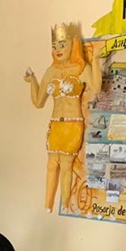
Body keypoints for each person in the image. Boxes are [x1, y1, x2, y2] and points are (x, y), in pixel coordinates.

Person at [24, 22, 102, 213]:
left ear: (72, 45)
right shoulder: (52, 71)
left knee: (66, 165)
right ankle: (48, 205)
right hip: (55, 124)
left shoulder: (80, 68)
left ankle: (65, 204)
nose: (58, 50)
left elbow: (96, 88)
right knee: (51, 165)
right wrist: (32, 80)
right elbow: (38, 101)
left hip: (73, 124)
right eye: (54, 46)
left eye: (62, 44)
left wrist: (96, 61)